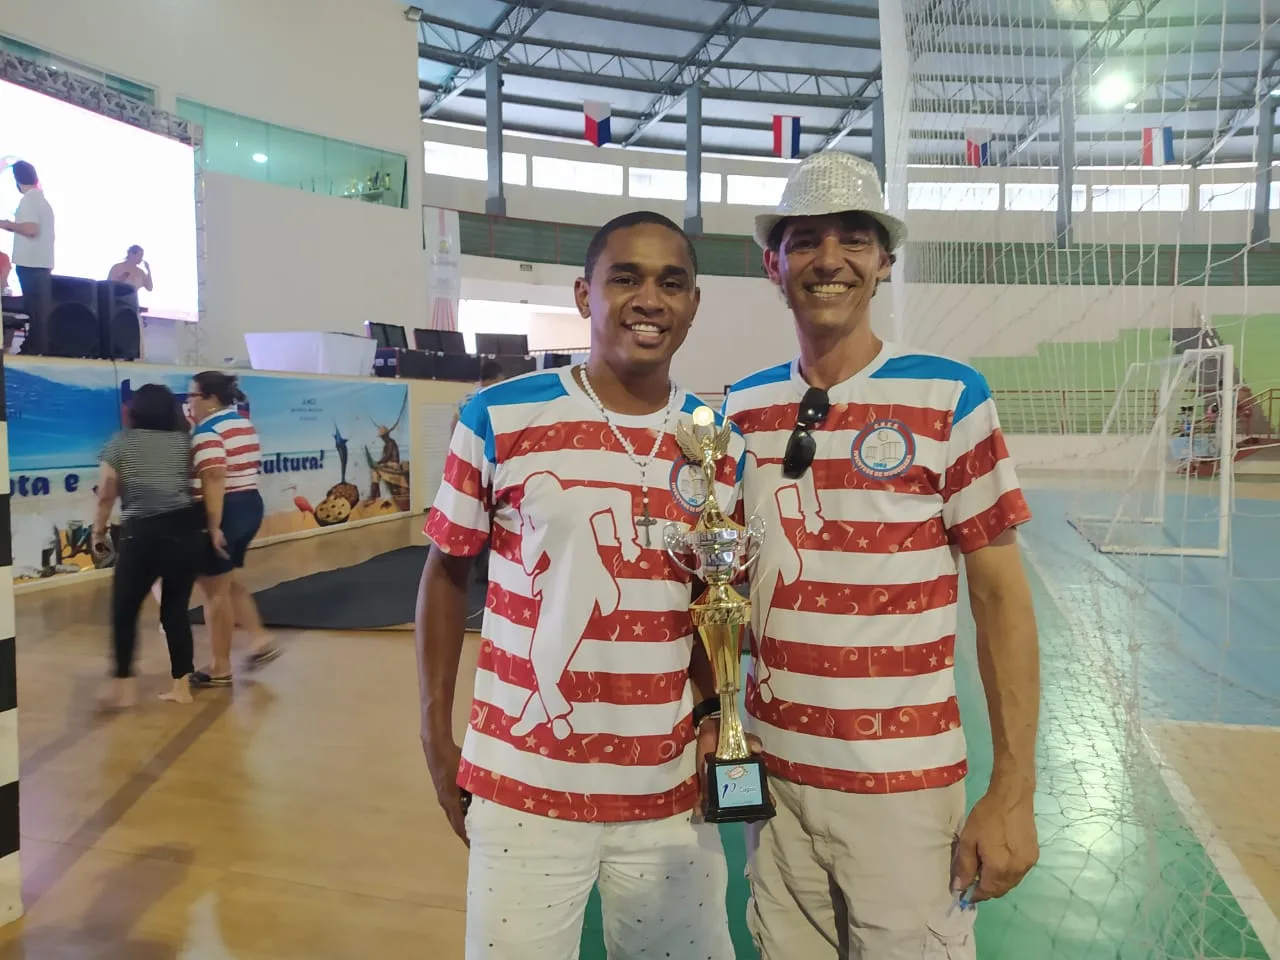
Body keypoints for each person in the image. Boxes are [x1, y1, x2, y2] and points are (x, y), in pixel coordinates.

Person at [720, 152, 1041, 960]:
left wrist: (1013, 788)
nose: (830, 259)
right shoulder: (737, 409)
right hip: (774, 780)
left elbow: (1001, 598)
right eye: (806, 240)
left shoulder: (950, 395)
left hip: (904, 794)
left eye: (854, 239)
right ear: (774, 263)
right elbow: (714, 586)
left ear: (884, 261)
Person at [416, 211, 744, 959]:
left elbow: (713, 604)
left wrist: (710, 722)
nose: (649, 298)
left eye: (671, 281)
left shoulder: (718, 441)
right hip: (523, 787)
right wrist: (437, 733)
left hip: (668, 797)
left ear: (694, 303)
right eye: (624, 277)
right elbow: (444, 571)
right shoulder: (499, 414)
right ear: (583, 294)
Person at [92, 384, 208, 708]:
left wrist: (98, 533)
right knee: (175, 610)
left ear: (136, 409)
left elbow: (106, 493)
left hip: (142, 534)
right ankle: (181, 686)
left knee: (124, 609)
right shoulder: (183, 442)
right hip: (185, 531)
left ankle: (124, 686)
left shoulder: (121, 443)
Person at [186, 371, 279, 687]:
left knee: (214, 592)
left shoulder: (207, 431)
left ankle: (220, 666)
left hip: (225, 510)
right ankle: (258, 638)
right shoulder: (241, 422)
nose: (189, 404)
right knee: (225, 581)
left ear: (210, 400)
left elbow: (214, 479)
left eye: (192, 397)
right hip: (250, 504)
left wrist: (212, 525)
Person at [0, 161, 54, 355]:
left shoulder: (30, 200)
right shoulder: (41, 200)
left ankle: (32, 350)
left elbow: (31, 229)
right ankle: (35, 348)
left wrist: (6, 224)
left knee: (36, 312)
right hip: (40, 263)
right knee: (38, 311)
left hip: (31, 263)